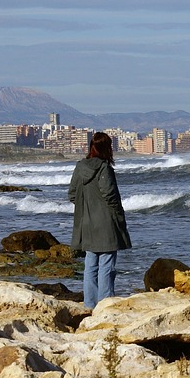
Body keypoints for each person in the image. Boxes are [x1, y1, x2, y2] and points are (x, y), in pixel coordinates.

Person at [68, 132, 132, 309]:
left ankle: (89, 305)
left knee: (90, 265)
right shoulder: (104, 168)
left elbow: (72, 194)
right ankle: (105, 305)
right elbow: (110, 196)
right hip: (106, 223)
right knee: (106, 265)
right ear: (106, 148)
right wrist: (119, 216)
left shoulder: (80, 167)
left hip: (86, 223)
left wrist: (88, 207)